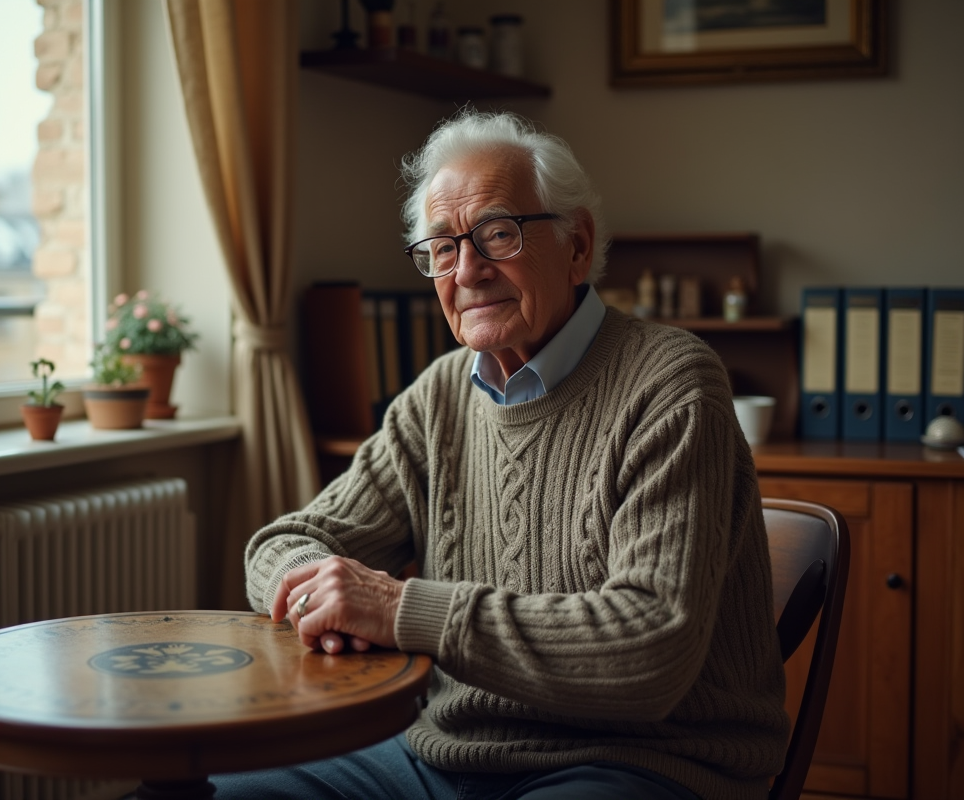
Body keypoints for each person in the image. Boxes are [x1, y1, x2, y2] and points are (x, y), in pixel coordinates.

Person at [221, 110, 788, 800]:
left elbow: (651, 648)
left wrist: (398, 609)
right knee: (221, 791)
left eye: (497, 233)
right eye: (441, 248)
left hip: (638, 761)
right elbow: (283, 542)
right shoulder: (437, 398)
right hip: (441, 756)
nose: (467, 270)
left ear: (577, 244)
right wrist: (324, 590)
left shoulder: (670, 381)